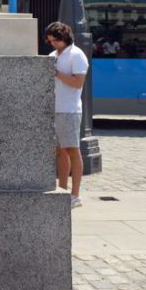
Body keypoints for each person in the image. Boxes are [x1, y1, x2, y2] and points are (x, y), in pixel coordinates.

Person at [45, 21, 89, 209]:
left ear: (64, 38)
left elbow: (78, 83)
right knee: (60, 151)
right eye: (50, 41)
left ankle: (75, 195)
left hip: (69, 109)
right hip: (54, 108)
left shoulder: (77, 54)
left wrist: (55, 73)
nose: (53, 44)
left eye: (55, 40)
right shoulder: (53, 55)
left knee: (72, 149)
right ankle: (63, 190)